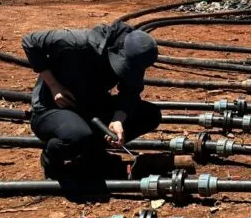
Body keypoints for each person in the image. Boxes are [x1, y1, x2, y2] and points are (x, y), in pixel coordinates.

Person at [22, 21, 162, 184]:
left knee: (149, 115)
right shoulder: (80, 42)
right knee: (77, 137)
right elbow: (30, 41)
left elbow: (130, 92)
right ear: (118, 50)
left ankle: (91, 152)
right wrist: (54, 86)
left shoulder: (135, 58)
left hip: (90, 106)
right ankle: (51, 158)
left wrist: (118, 119)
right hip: (53, 108)